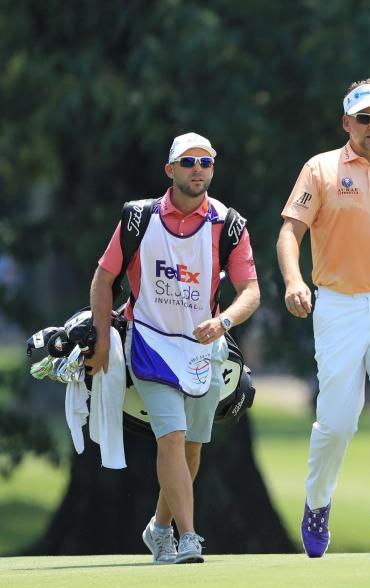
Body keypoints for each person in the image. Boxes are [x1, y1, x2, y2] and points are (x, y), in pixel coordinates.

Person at [86, 132, 261, 563]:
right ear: (170, 170)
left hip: (205, 349)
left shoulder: (229, 223)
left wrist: (223, 322)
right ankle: (188, 538)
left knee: (192, 447)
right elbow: (103, 279)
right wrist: (104, 339)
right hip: (149, 341)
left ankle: (159, 528)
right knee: (172, 437)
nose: (198, 169)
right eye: (188, 162)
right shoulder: (138, 219)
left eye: (206, 162)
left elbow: (250, 291)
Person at [277, 79, 370, 557]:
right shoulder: (320, 169)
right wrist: (293, 281)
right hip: (338, 304)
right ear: (347, 123)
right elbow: (289, 233)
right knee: (338, 421)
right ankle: (318, 501)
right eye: (365, 118)